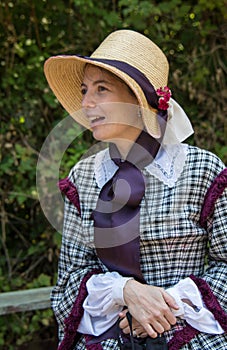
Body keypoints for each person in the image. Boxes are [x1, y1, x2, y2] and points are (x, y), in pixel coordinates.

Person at [44, 30, 227, 350]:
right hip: (108, 339)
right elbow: (69, 280)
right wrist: (124, 292)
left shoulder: (201, 171)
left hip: (188, 337)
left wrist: (165, 306)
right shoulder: (84, 177)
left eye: (102, 89)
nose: (86, 103)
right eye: (85, 90)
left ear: (137, 100)